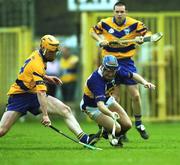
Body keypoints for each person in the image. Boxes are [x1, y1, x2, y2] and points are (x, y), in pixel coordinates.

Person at [0, 35, 99, 146]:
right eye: (51, 52)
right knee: (2, 130)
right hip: (19, 97)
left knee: (65, 110)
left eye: (55, 52)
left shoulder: (39, 55)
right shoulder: (36, 63)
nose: (53, 55)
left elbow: (32, 75)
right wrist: (45, 115)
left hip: (32, 95)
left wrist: (47, 77)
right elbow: (41, 92)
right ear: (43, 49)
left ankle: (84, 139)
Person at [90, 1, 152, 139]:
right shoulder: (104, 23)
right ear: (113, 12)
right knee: (114, 98)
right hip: (109, 63)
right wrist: (100, 40)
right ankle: (116, 128)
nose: (119, 14)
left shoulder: (134, 24)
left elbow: (148, 33)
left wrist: (143, 38)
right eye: (117, 11)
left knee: (135, 95)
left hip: (126, 62)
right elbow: (92, 31)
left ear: (126, 12)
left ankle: (139, 124)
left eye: (122, 11)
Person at [80, 55, 155, 146]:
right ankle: (100, 134)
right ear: (103, 67)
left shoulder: (117, 70)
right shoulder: (96, 80)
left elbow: (133, 75)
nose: (111, 74)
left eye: (113, 71)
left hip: (108, 100)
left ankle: (110, 134)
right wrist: (111, 114)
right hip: (92, 107)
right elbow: (100, 105)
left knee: (127, 125)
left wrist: (145, 83)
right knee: (118, 128)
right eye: (108, 70)